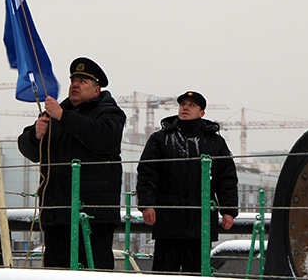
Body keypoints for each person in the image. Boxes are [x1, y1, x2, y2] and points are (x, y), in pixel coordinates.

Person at [18, 57, 126, 270]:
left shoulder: (110, 114)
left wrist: (63, 116)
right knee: (57, 271)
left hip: (94, 215)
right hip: (57, 213)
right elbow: (29, 150)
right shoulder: (53, 115)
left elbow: (101, 137)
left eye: (83, 81)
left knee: (95, 270)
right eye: (73, 80)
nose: (75, 85)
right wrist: (35, 136)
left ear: (97, 90)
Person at [136, 91, 238, 274]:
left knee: (197, 274)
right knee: (164, 274)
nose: (185, 107)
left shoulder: (215, 142)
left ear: (202, 112)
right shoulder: (161, 139)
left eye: (192, 105)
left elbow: (227, 178)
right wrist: (146, 204)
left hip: (201, 224)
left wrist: (229, 210)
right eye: (183, 104)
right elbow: (147, 174)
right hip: (168, 223)